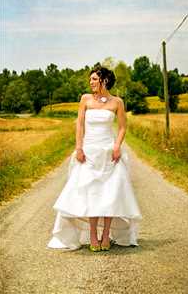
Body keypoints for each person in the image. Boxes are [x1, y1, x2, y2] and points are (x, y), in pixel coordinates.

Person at [47, 66, 142, 252]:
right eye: (90, 79)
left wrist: (117, 146)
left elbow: (122, 127)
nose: (90, 82)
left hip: (109, 153)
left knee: (109, 194)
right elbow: (80, 125)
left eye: (94, 79)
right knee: (91, 194)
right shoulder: (85, 99)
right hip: (89, 152)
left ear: (104, 80)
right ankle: (92, 235)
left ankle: (106, 235)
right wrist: (79, 147)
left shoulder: (117, 102)